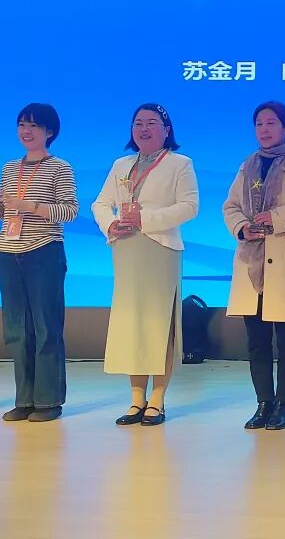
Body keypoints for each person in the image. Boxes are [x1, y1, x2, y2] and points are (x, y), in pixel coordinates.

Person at [0, 103, 79, 422]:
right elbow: (2, 213)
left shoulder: (60, 167)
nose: (26, 131)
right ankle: (25, 398)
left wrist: (31, 206)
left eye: (34, 125)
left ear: (49, 131)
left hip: (44, 250)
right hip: (7, 251)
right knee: (16, 329)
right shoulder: (9, 168)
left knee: (46, 327)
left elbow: (70, 210)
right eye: (22, 124)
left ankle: (48, 400)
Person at [92, 103, 199, 427]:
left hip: (160, 248)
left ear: (166, 130)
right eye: (138, 123)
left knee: (158, 324)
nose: (144, 129)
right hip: (126, 249)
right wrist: (110, 224)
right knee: (132, 323)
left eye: (152, 123)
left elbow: (189, 206)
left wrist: (146, 219)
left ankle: (157, 399)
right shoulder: (121, 164)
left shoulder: (180, 163)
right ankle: (136, 398)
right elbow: (100, 203)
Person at [223, 101, 285, 431]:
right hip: (253, 263)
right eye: (259, 124)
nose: (264, 129)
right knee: (257, 341)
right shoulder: (248, 165)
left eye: (271, 123)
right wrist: (242, 227)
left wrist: (277, 218)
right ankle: (263, 403)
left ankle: (284, 404)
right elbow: (231, 206)